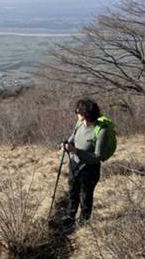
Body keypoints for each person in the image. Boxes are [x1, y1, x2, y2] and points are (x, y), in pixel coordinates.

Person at [62, 98, 108, 229]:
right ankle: (70, 216)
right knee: (72, 192)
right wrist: (66, 144)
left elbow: (97, 157)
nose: (76, 113)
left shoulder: (101, 131)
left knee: (85, 197)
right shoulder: (79, 124)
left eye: (77, 111)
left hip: (89, 170)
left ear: (85, 113)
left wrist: (75, 151)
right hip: (74, 166)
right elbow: (72, 138)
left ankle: (83, 222)